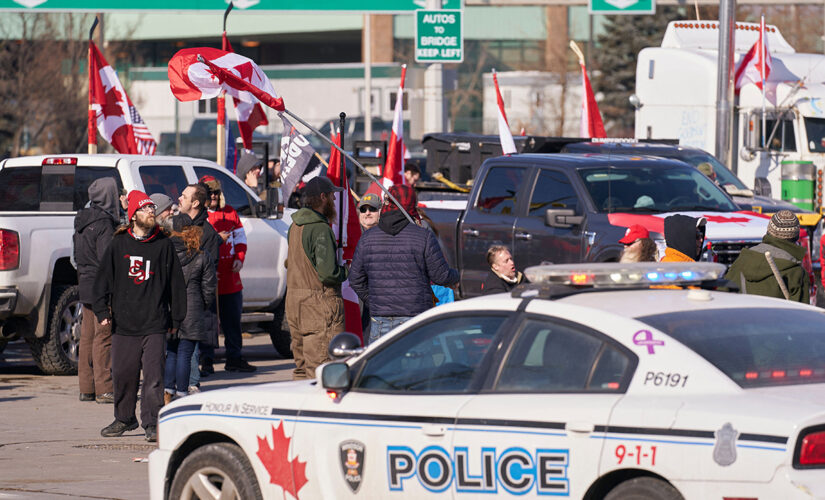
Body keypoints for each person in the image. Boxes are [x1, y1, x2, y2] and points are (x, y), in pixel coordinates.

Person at [93, 191, 186, 442]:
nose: (151, 213)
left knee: (154, 377)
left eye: (152, 209)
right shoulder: (118, 244)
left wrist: (177, 319)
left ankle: (151, 422)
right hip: (124, 323)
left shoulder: (163, 244)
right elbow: (101, 281)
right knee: (123, 374)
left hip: (155, 322)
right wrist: (102, 311)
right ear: (133, 215)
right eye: (145, 209)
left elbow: (176, 284)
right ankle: (124, 418)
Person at [350, 184, 459, 343]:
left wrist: (375, 301)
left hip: (382, 317)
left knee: (382, 365)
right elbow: (441, 275)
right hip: (414, 316)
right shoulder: (423, 236)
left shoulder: (368, 238)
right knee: (415, 366)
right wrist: (456, 276)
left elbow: (355, 279)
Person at [285, 176, 349, 380]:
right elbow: (328, 273)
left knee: (302, 368)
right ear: (323, 197)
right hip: (318, 306)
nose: (334, 200)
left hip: (295, 305)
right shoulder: (320, 229)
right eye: (332, 196)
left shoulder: (295, 226)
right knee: (321, 370)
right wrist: (347, 270)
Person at [201, 175, 255, 373]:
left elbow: (240, 237)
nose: (214, 196)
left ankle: (234, 357)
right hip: (210, 278)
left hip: (231, 278)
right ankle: (206, 360)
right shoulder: (201, 216)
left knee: (232, 321)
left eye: (216, 192)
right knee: (209, 322)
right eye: (210, 192)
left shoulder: (231, 212)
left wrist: (239, 257)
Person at [73, 177, 119, 404]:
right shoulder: (105, 223)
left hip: (85, 282)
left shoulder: (82, 220)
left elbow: (77, 256)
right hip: (101, 286)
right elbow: (107, 259)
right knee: (104, 337)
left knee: (87, 336)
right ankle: (105, 388)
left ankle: (86, 387)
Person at [164, 223, 216, 404]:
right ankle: (182, 393)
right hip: (193, 307)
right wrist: (202, 306)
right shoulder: (202, 256)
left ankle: (167, 390)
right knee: (185, 353)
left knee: (171, 351)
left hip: (171, 308)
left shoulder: (167, 253)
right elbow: (209, 288)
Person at [175, 183, 222, 375]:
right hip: (173, 298)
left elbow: (210, 274)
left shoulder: (208, 233)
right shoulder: (174, 225)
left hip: (193, 302)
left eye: (184, 196)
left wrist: (200, 302)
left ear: (195, 203)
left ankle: (190, 385)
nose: (179, 198)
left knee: (190, 350)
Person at [725, 210, 809, 303]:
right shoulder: (796, 272)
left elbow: (723, 295)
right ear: (796, 236)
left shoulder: (742, 260)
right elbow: (802, 313)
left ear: (768, 231)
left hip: (742, 316)